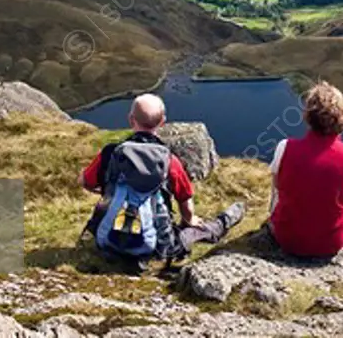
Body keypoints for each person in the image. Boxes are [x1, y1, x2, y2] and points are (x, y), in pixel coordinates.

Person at [79, 93, 245, 263]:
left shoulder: (110, 153)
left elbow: (85, 182)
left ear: (131, 119)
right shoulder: (169, 160)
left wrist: (106, 192)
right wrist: (189, 219)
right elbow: (185, 198)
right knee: (190, 233)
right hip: (157, 246)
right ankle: (223, 222)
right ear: (162, 122)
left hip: (108, 239)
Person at [268, 81, 343, 257]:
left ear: (309, 116)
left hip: (287, 238)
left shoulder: (284, 147)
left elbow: (276, 189)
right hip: (333, 242)